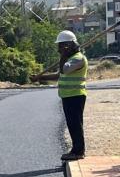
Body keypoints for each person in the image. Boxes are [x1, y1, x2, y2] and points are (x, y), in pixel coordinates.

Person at [36, 30, 89, 161]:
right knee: (71, 124)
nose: (59, 49)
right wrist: (39, 78)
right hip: (68, 96)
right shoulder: (70, 59)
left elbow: (65, 69)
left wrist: (64, 56)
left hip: (76, 96)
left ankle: (78, 151)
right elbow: (58, 75)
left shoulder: (78, 59)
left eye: (61, 46)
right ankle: (76, 150)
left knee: (75, 124)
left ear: (69, 45)